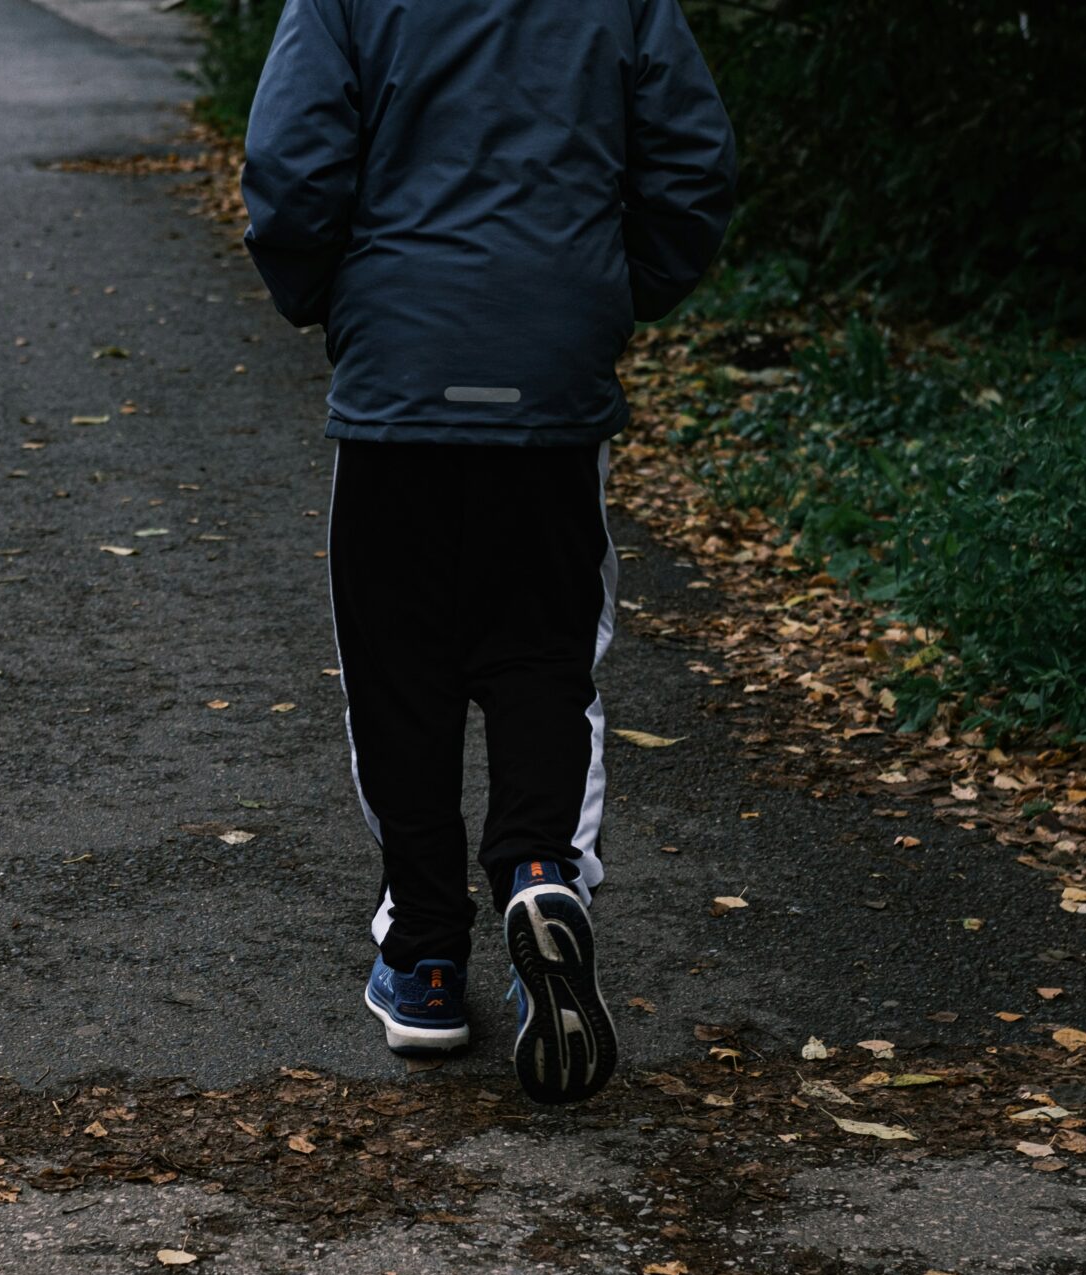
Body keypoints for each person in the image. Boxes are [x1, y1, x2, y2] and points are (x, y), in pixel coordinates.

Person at [239, 0, 736, 1104]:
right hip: (549, 379)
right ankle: (539, 872)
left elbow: (290, 167)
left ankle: (422, 958)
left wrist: (329, 298)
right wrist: (599, 297)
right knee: (542, 652)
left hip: (397, 387)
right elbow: (693, 166)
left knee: (395, 669)